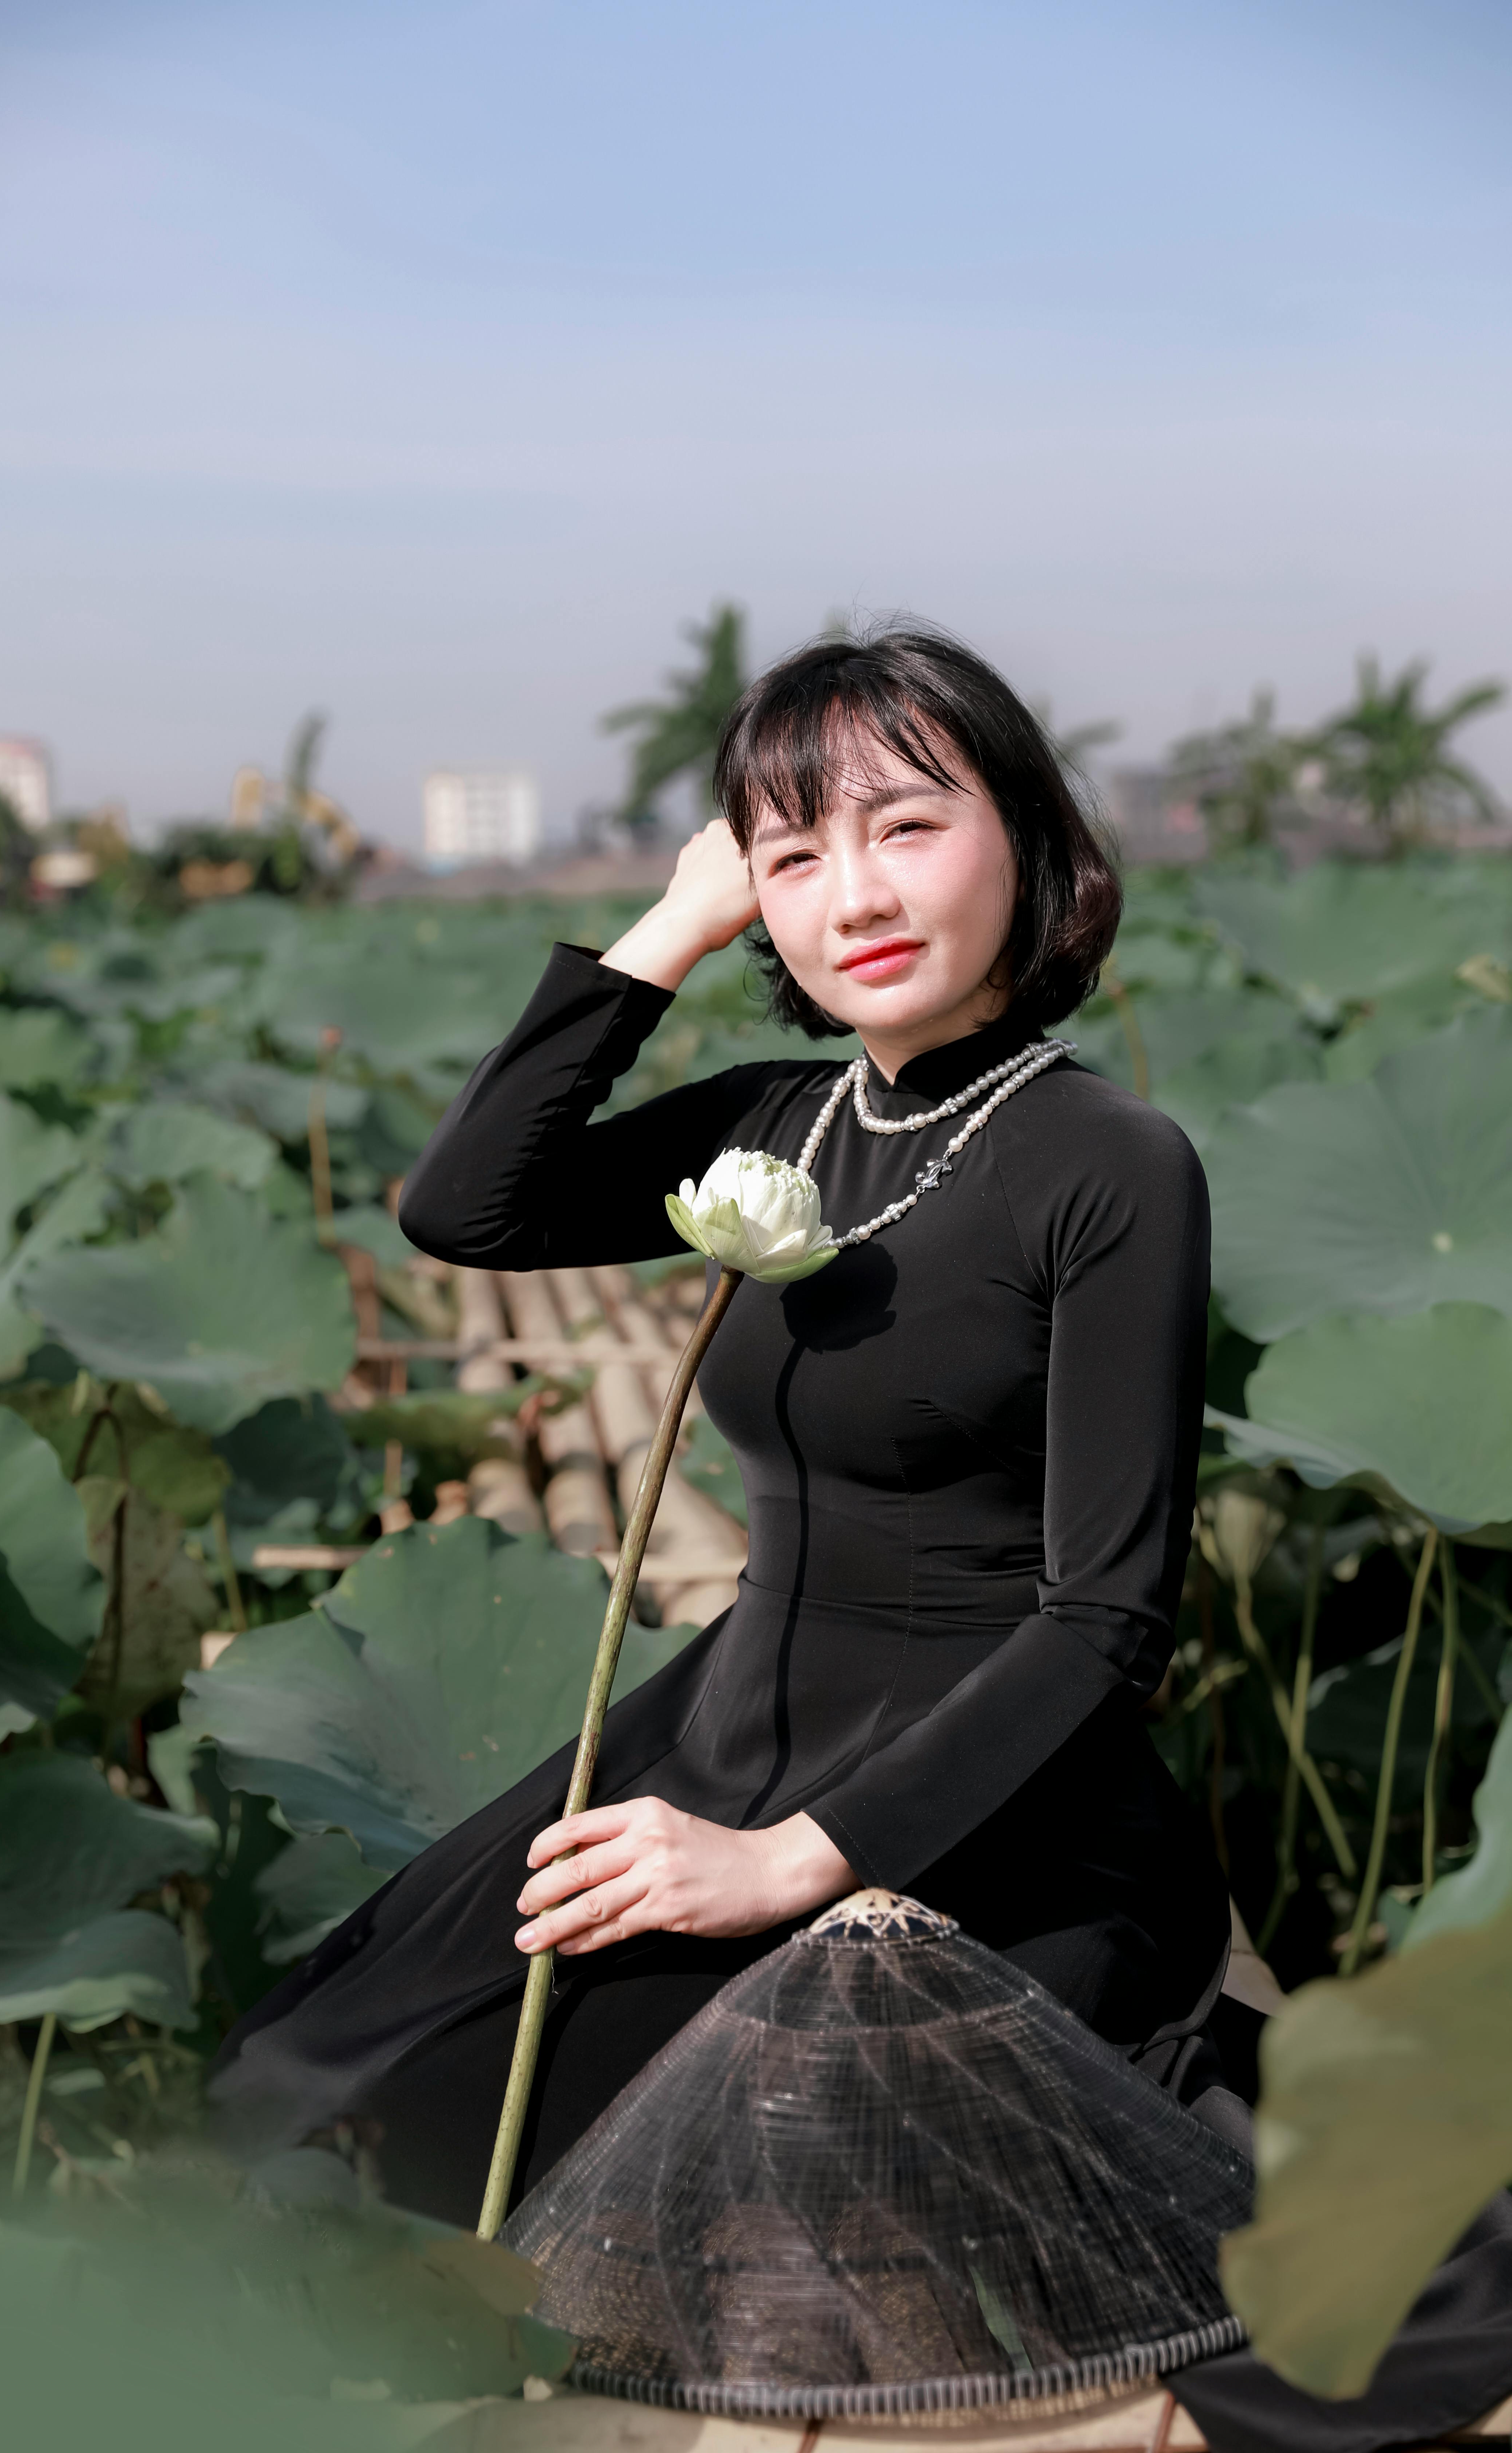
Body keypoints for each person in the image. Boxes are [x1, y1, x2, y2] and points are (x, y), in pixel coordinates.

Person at [211, 623, 1233, 2202]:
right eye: (794, 853)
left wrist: (789, 1863)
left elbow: (1105, 1618)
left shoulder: (1111, 1165)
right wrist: (669, 930)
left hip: (981, 1808)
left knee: (618, 2148)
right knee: (332, 2082)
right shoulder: (782, 1116)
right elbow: (465, 1208)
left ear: (1025, 841)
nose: (859, 896)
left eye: (907, 826)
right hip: (726, 1727)